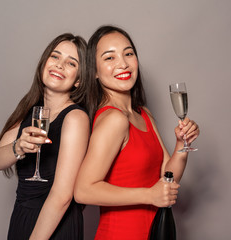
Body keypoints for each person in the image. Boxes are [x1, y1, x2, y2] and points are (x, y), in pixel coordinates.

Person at [74, 25, 200, 239]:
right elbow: (83, 190)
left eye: (128, 53)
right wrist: (149, 195)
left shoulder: (143, 114)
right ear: (94, 71)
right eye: (109, 58)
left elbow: (168, 179)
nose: (123, 63)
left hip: (152, 232)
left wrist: (181, 145)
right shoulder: (113, 119)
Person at [0, 33, 90, 240]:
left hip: (53, 225)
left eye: (71, 63)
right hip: (22, 216)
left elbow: (63, 196)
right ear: (44, 63)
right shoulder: (30, 110)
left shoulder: (75, 118)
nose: (60, 65)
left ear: (79, 80)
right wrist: (18, 147)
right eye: (55, 57)